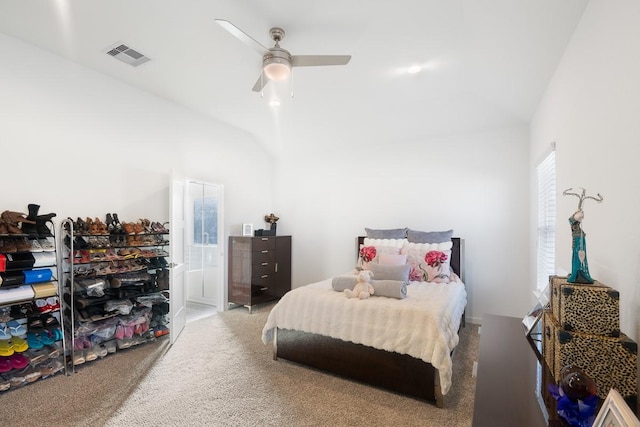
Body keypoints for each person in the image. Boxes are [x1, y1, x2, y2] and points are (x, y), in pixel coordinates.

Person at [568, 209, 594, 284]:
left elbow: (580, 216)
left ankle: (578, 272)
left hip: (580, 239)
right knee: (577, 255)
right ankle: (576, 272)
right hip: (578, 239)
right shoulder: (574, 217)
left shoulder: (578, 215)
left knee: (580, 256)